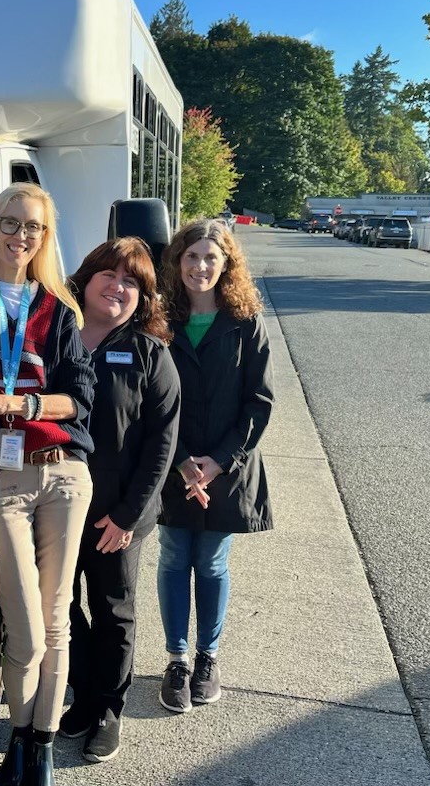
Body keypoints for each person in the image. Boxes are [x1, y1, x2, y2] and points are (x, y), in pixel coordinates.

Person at [0, 183, 95, 786]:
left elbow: (80, 400)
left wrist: (16, 399)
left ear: (45, 236)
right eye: (10, 223)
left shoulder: (60, 309)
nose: (20, 236)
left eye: (33, 227)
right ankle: (20, 732)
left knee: (58, 617)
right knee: (28, 629)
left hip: (62, 474)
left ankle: (35, 750)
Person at [59, 237, 180, 763]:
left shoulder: (151, 356)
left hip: (116, 516)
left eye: (132, 282)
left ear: (143, 298)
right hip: (53, 511)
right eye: (109, 274)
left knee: (112, 611)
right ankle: (81, 697)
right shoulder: (52, 340)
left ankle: (109, 708)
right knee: (60, 609)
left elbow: (162, 444)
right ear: (85, 280)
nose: (118, 286)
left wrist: (128, 515)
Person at [155, 218, 275, 714]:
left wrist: (219, 462)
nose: (200, 266)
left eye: (211, 257)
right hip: (171, 464)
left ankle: (207, 656)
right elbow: (150, 399)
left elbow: (260, 400)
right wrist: (183, 462)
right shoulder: (159, 318)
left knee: (211, 561)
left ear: (227, 264)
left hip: (228, 466)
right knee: (174, 557)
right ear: (178, 261)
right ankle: (177, 660)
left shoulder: (245, 321)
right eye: (192, 256)